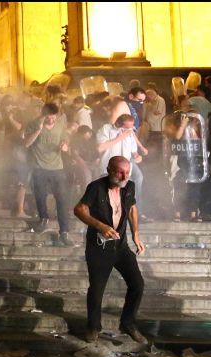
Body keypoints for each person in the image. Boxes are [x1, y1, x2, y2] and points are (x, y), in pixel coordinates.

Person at [74, 155, 147, 344]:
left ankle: (128, 323)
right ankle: (93, 327)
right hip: (99, 248)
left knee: (137, 284)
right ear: (109, 171)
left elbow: (132, 209)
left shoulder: (129, 187)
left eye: (127, 173)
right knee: (97, 289)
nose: (124, 177)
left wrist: (136, 234)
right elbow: (79, 209)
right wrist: (100, 226)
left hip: (120, 247)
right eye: (120, 173)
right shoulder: (96, 187)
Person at [24, 102, 73, 246]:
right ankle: (43, 218)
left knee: (62, 199)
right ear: (43, 115)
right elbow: (26, 143)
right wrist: (38, 130)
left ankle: (64, 231)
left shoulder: (60, 124)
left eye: (54, 117)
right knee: (40, 195)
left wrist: (64, 146)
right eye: (48, 118)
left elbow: (66, 142)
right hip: (39, 166)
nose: (51, 120)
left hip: (57, 167)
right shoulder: (33, 124)